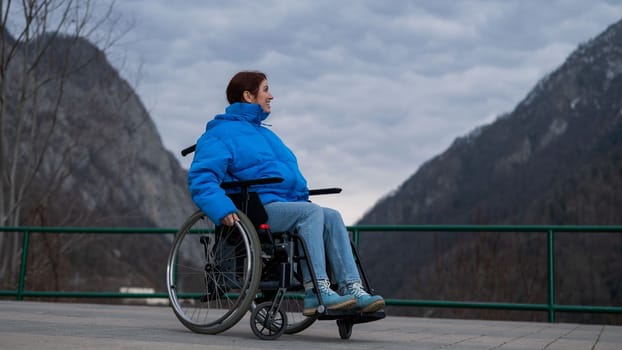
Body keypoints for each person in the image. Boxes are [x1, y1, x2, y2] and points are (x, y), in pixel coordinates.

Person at [188, 71, 384, 315]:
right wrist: (221, 208)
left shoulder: (267, 134)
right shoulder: (219, 134)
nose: (271, 95)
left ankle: (352, 289)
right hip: (256, 208)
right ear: (248, 96)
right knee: (311, 213)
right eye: (265, 89)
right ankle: (316, 290)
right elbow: (201, 179)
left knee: (331, 215)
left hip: (284, 204)